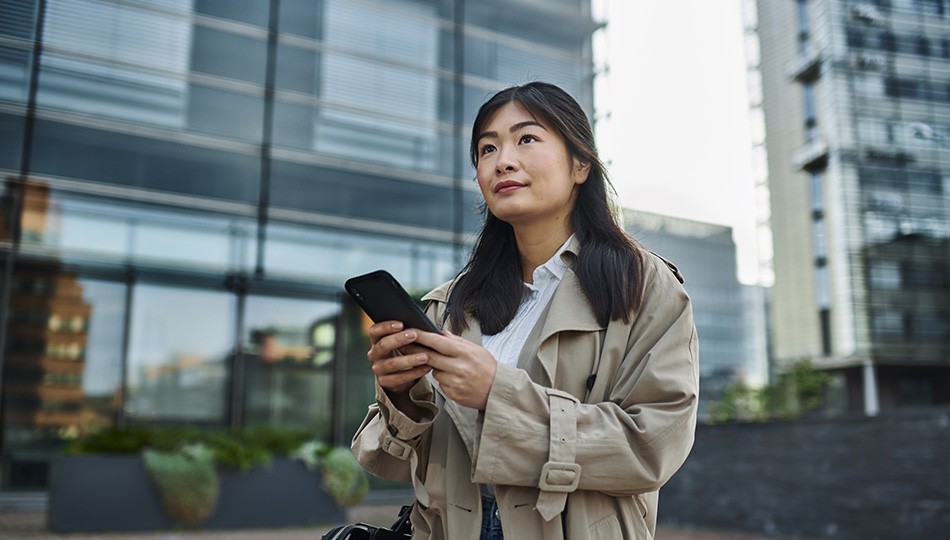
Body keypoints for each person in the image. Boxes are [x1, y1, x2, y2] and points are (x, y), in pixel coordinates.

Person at [352, 81, 698, 540]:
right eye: (487, 148)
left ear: (580, 164)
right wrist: (399, 395)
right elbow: (391, 463)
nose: (503, 160)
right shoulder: (452, 303)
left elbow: (652, 445)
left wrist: (499, 393)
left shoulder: (644, 287)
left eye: (527, 139)